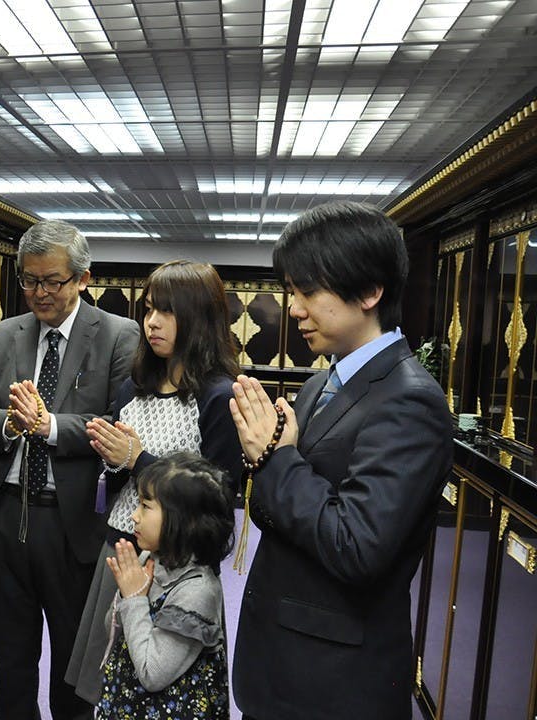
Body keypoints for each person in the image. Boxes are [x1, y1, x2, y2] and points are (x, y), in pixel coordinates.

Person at [227, 200, 453, 719]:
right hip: (283, 655)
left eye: (308, 291)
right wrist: (264, 460)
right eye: (292, 291)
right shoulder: (320, 384)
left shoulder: (410, 400)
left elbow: (357, 546)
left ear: (370, 292)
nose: (294, 308)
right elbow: (273, 508)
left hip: (334, 682)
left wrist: (275, 459)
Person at [0, 220, 141, 720]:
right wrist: (11, 424)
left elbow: (121, 423)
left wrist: (49, 425)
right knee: (12, 658)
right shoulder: (2, 335)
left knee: (71, 663)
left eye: (52, 281)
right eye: (29, 280)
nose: (39, 293)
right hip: (7, 517)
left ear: (83, 278)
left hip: (73, 523)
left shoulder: (118, 336)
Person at [65, 260, 243, 704]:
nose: (152, 322)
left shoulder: (218, 396)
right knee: (106, 690)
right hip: (121, 550)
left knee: (161, 690)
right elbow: (119, 483)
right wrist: (113, 460)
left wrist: (137, 459)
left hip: (177, 567)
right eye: (148, 309)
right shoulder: (134, 387)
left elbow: (218, 500)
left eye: (167, 311)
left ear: (199, 318)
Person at [95, 452, 234, 720]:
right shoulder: (151, 557)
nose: (134, 516)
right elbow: (114, 628)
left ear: (183, 520)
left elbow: (152, 673)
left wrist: (134, 598)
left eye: (146, 506)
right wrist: (128, 592)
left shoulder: (197, 592)